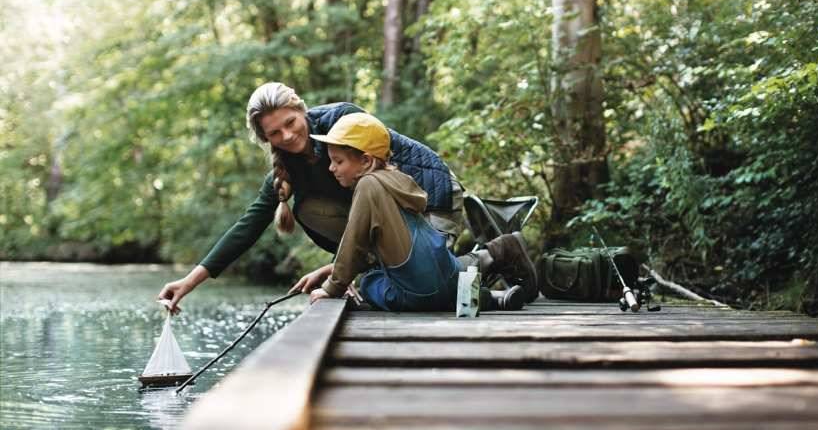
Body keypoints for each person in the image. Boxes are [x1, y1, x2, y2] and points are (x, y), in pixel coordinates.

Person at [157, 82, 463, 313]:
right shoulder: (287, 170)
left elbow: (381, 191)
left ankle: (488, 258)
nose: (287, 136)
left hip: (433, 196)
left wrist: (338, 274)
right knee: (308, 208)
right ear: (266, 140)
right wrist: (189, 282)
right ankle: (383, 270)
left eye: (290, 123)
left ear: (302, 110)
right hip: (395, 221)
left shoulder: (341, 120)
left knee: (427, 281)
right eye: (275, 133)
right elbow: (248, 226)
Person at [289, 112, 537, 311]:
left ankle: (491, 294)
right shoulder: (396, 179)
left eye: (338, 161)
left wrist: (333, 287)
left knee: (369, 283)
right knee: (441, 281)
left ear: (365, 161)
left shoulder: (368, 185)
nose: (331, 168)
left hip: (419, 291)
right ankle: (497, 279)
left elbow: (355, 241)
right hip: (446, 272)